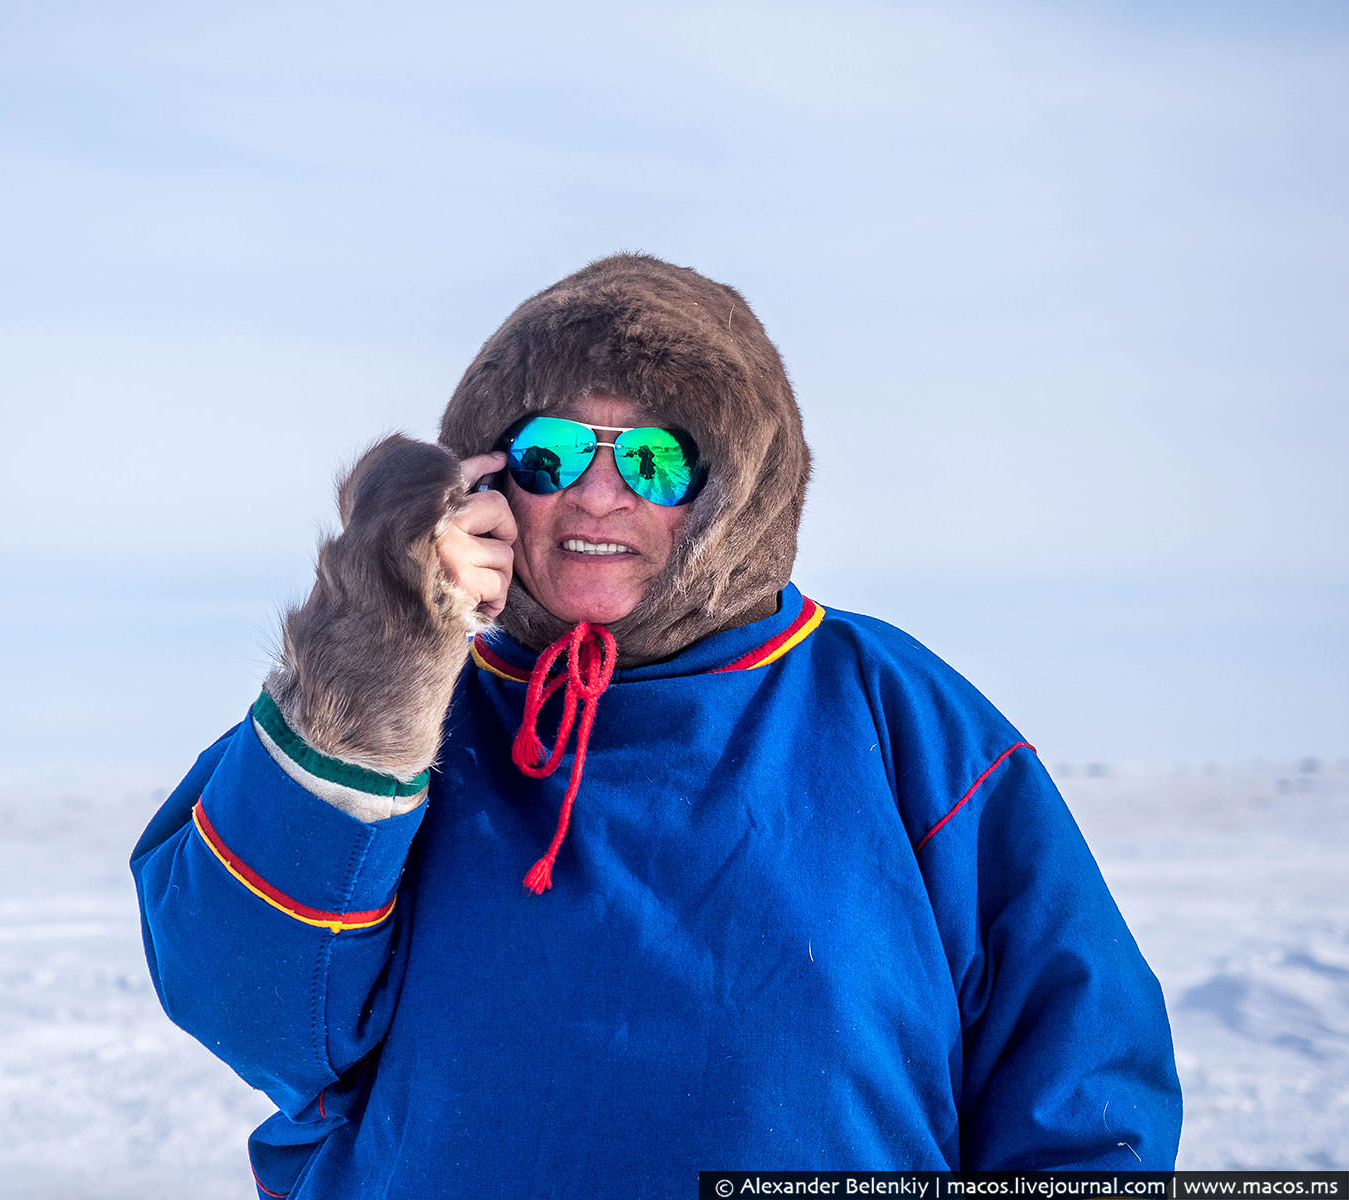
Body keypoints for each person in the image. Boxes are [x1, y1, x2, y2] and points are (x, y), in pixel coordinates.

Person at [130, 254, 1181, 1196]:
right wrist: (377, 655)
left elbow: (1079, 1073)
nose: (596, 496)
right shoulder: (414, 697)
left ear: (735, 489)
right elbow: (249, 1002)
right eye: (548, 455)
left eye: (654, 462)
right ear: (486, 479)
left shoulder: (891, 709)